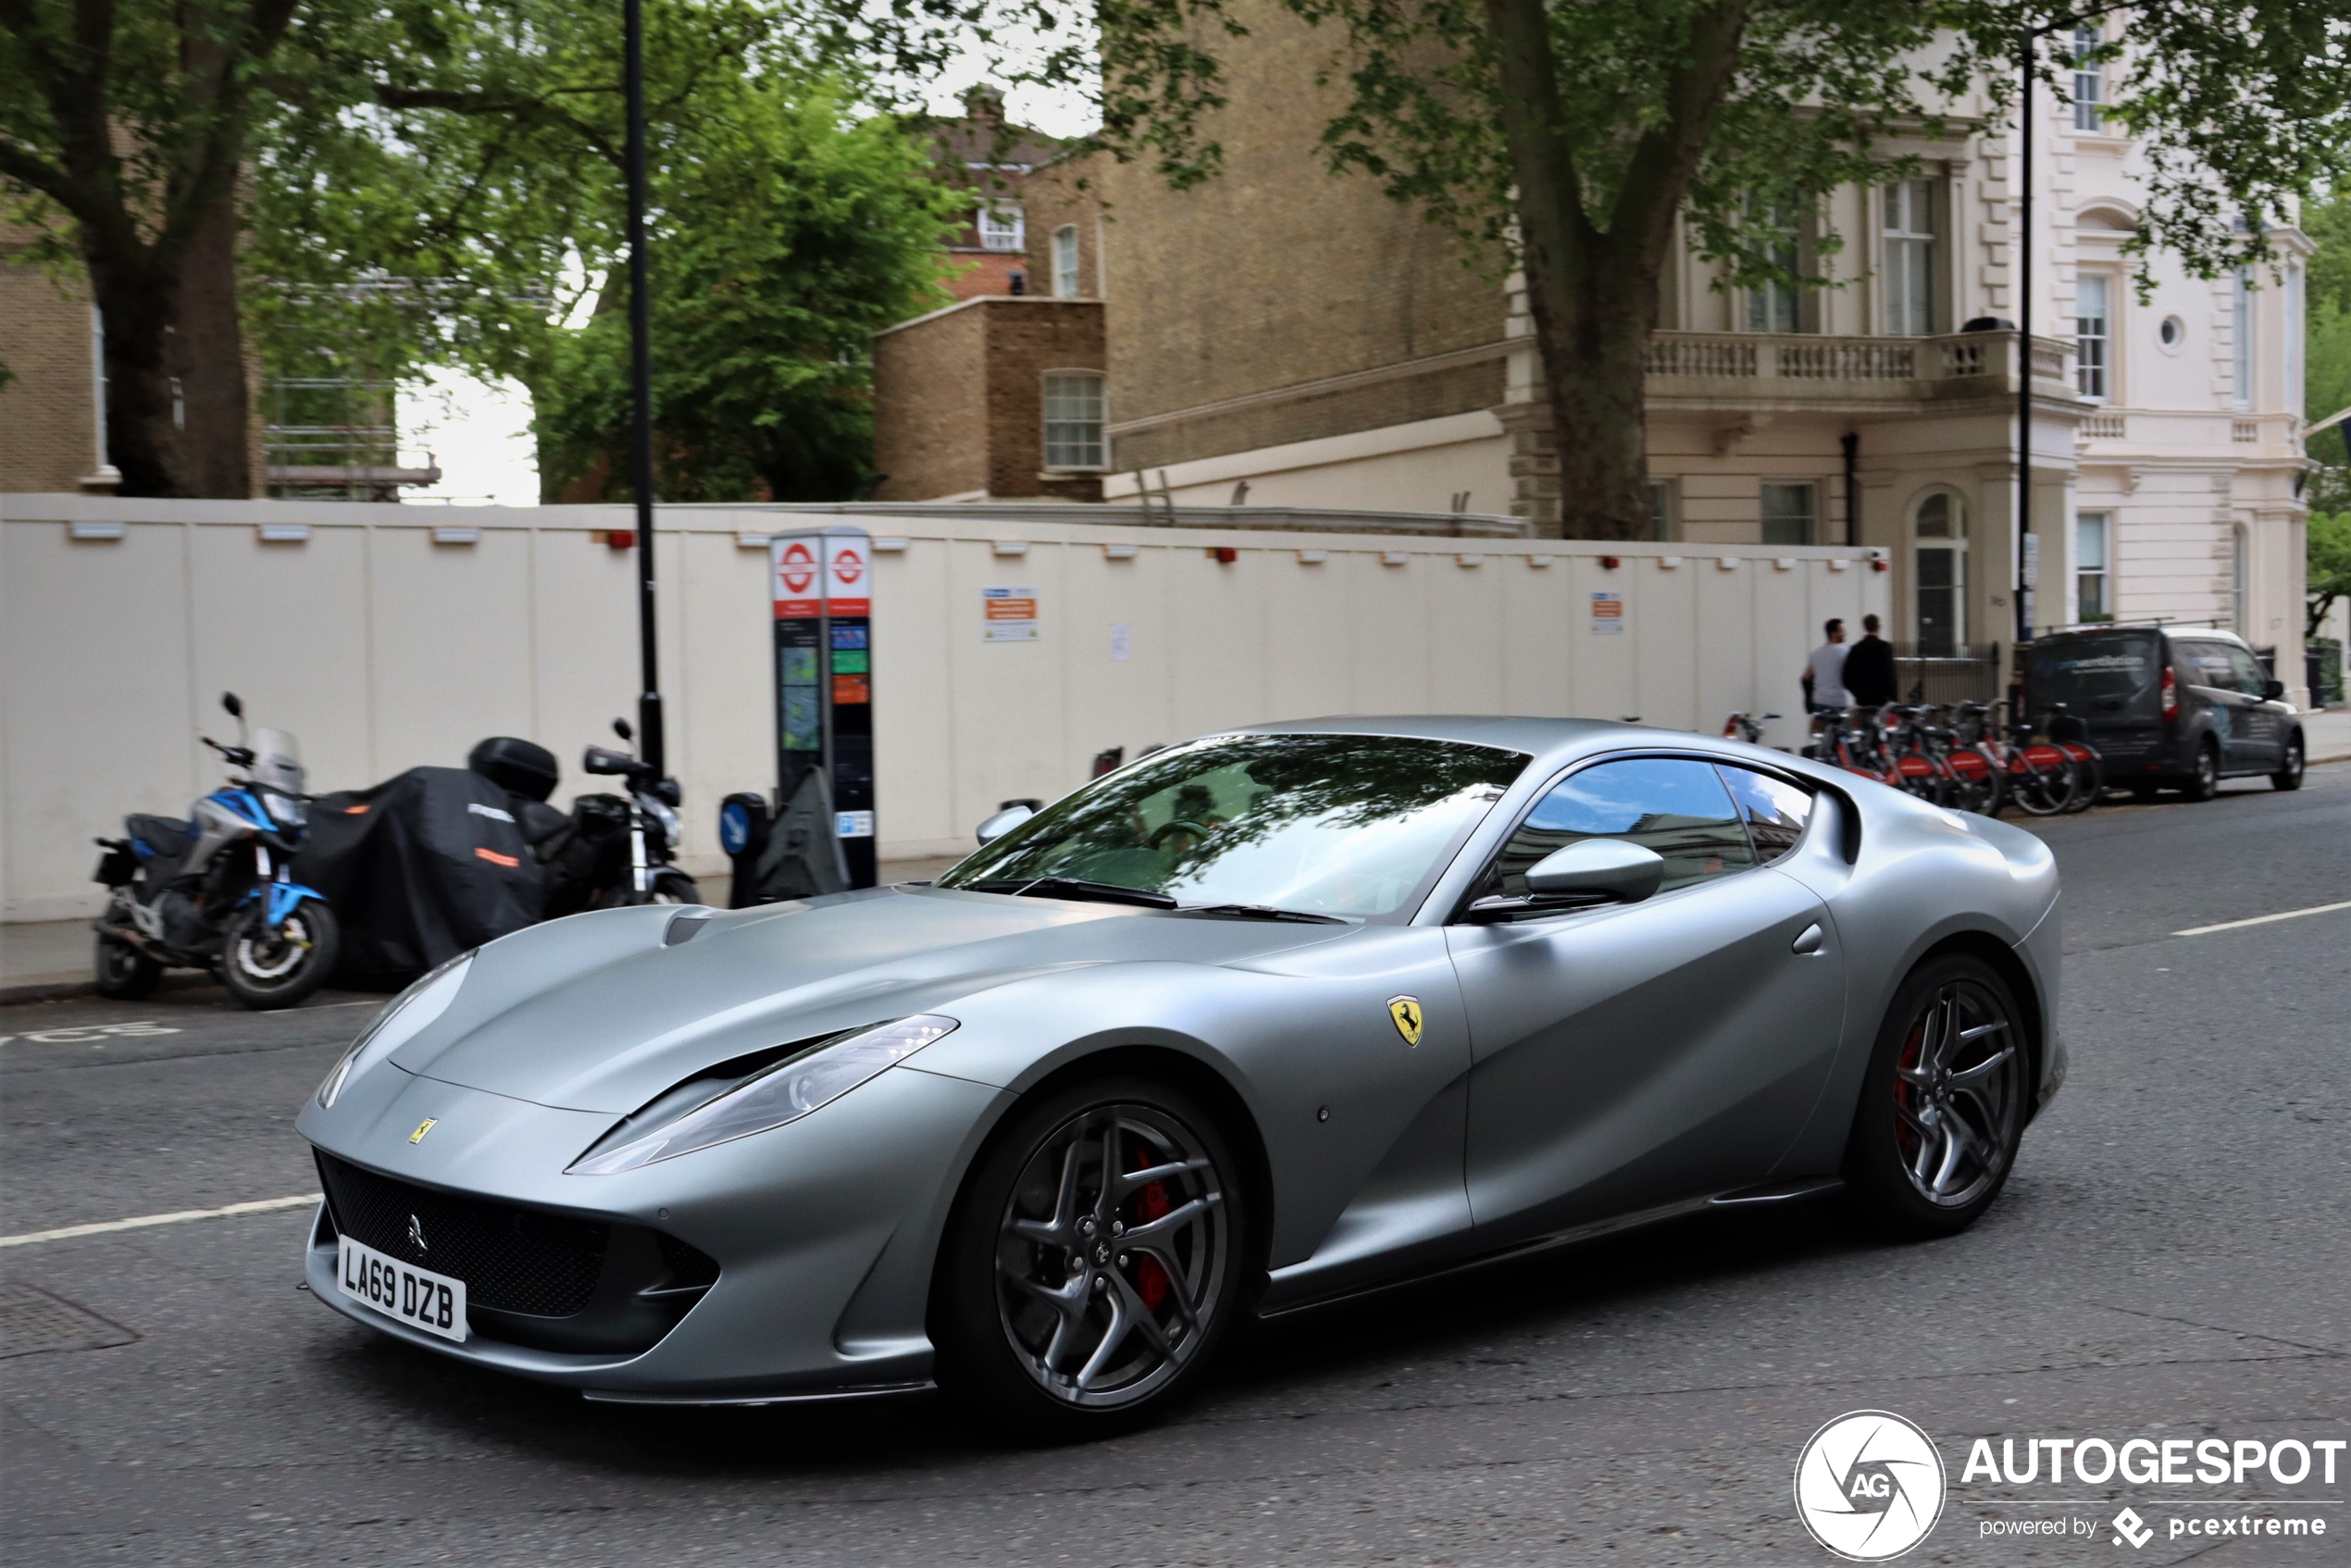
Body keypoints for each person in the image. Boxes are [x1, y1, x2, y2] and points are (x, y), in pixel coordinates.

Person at [1843, 613, 1897, 708]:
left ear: (1864, 627)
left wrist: (1857, 692)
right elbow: (1890, 674)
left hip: (1862, 700)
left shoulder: (1855, 648)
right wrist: (1893, 697)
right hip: (1881, 699)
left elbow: (1847, 676)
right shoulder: (1884, 647)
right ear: (1878, 627)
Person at [1803, 619, 1851, 714]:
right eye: (1842, 631)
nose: (1845, 633)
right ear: (1833, 633)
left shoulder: (1815, 654)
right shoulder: (1845, 653)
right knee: (1841, 728)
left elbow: (1806, 677)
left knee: (1819, 728)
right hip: (1838, 701)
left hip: (1819, 700)